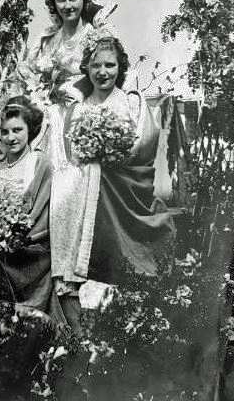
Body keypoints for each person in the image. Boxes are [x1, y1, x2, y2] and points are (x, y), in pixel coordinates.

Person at [47, 26, 175, 330]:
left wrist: (114, 154)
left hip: (121, 189)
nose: (103, 72)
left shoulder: (131, 102)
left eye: (110, 65)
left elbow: (146, 145)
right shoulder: (77, 107)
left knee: (119, 273)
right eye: (96, 65)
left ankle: (119, 331)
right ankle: (79, 335)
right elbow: (68, 152)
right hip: (83, 193)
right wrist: (90, 153)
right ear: (86, 68)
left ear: (120, 68)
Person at [20, 0, 117, 104]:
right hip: (49, 105)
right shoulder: (48, 38)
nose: (67, 6)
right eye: (61, 0)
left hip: (87, 104)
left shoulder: (99, 36)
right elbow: (30, 71)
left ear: (84, 0)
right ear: (54, 3)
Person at [0, 96, 53, 313]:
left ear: (30, 130)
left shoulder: (39, 162)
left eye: (17, 130)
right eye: (5, 132)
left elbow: (42, 213)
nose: (11, 137)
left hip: (29, 246)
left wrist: (16, 237)